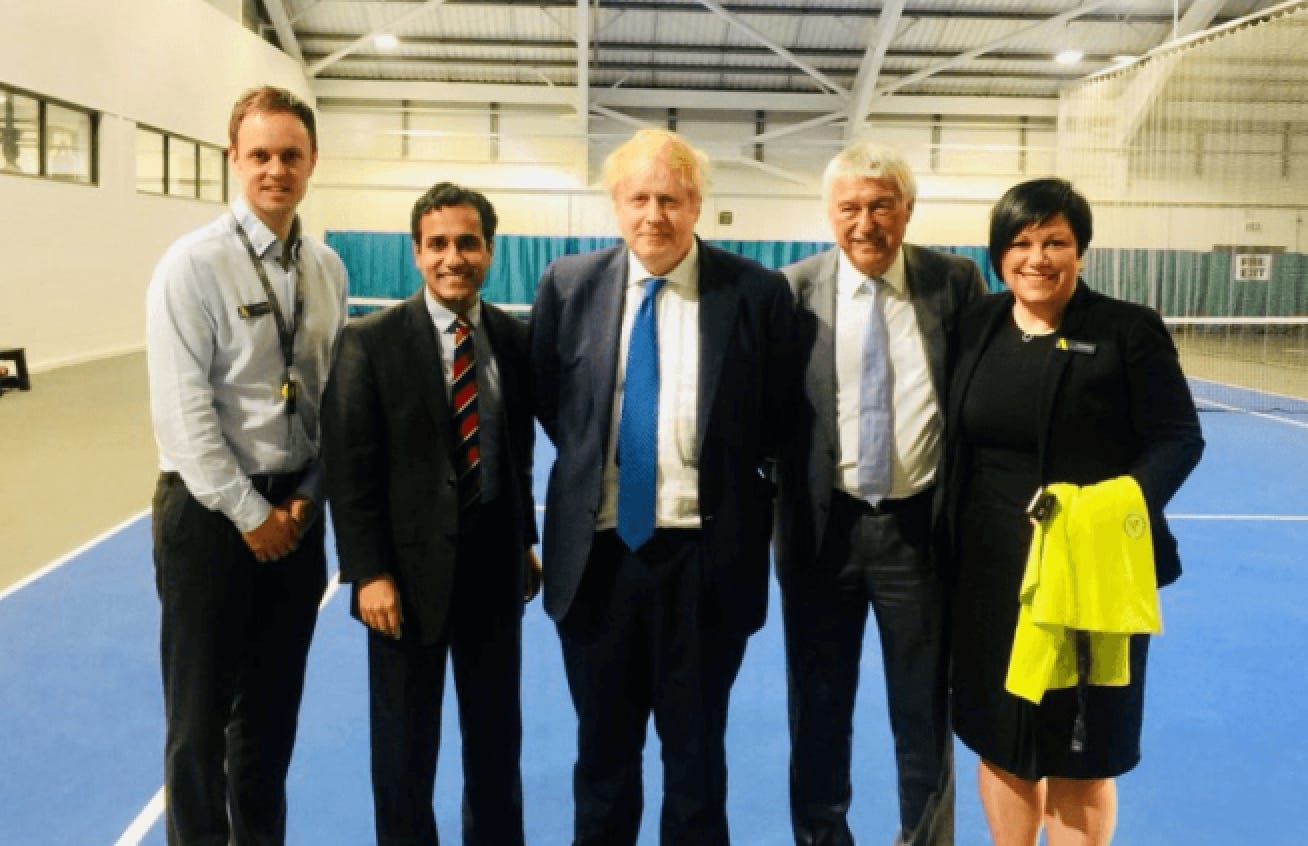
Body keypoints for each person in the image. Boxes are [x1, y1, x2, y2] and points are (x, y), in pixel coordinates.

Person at [530, 128, 797, 845]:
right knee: (603, 761)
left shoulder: (756, 293)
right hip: (599, 563)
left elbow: (778, 414)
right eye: (639, 197)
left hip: (706, 565)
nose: (655, 214)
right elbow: (559, 408)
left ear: (697, 204)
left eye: (671, 198)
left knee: (696, 763)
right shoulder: (568, 284)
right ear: (615, 203)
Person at [943, 178, 1204, 845]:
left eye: (1055, 241)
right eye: (1021, 242)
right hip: (991, 577)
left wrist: (1106, 512)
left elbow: (1178, 438)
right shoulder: (975, 324)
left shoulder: (1127, 330)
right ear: (998, 253)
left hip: (1094, 575)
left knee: (1081, 752)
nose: (1037, 257)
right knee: (1000, 740)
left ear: (1080, 249)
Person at [146, 85, 347, 845]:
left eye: (290, 155)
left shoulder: (327, 270)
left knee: (268, 726)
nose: (275, 169)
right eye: (259, 154)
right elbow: (183, 414)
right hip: (209, 520)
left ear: (312, 162)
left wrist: (305, 499)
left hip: (296, 519)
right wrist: (249, 514)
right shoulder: (191, 267)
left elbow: (329, 400)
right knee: (197, 731)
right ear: (234, 158)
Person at [774, 141, 986, 846]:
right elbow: (757, 409)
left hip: (918, 535)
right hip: (819, 536)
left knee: (924, 711)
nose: (865, 222)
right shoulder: (792, 290)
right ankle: (821, 838)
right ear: (829, 214)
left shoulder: (953, 283)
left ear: (908, 210)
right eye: (850, 207)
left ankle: (924, 839)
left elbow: (984, 396)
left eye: (881, 205)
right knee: (818, 707)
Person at [321, 183, 537, 846]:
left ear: (490, 251)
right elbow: (348, 468)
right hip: (404, 587)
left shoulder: (512, 337)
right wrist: (369, 574)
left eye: (467, 243)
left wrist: (524, 542)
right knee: (405, 755)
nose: (454, 257)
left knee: (496, 750)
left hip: (495, 578)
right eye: (438, 244)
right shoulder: (368, 342)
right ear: (416, 253)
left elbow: (516, 453)